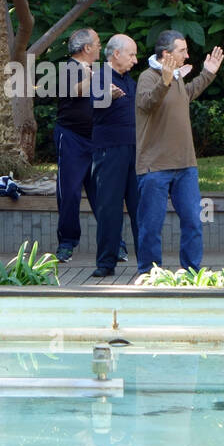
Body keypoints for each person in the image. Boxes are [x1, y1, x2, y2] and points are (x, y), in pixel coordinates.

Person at [134, 30, 224, 277]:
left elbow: (187, 95)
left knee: (194, 222)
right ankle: (149, 273)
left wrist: (208, 73)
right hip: (154, 167)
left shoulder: (176, 78)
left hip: (186, 165)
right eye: (182, 50)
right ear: (166, 54)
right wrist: (164, 81)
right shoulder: (148, 77)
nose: (187, 54)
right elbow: (147, 103)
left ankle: (192, 272)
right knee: (151, 226)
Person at [90, 34, 138, 277]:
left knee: (140, 207)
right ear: (116, 54)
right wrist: (109, 96)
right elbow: (95, 104)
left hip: (134, 150)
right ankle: (106, 263)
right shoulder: (99, 76)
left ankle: (147, 264)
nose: (135, 60)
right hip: (109, 151)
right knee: (109, 207)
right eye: (131, 54)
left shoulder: (130, 80)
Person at [54, 28, 101, 262]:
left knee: (102, 193)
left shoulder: (97, 70)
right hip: (71, 138)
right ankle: (67, 243)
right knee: (70, 192)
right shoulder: (68, 69)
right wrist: (90, 78)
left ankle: (113, 242)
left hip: (96, 139)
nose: (100, 47)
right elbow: (75, 91)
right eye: (98, 43)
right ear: (87, 48)